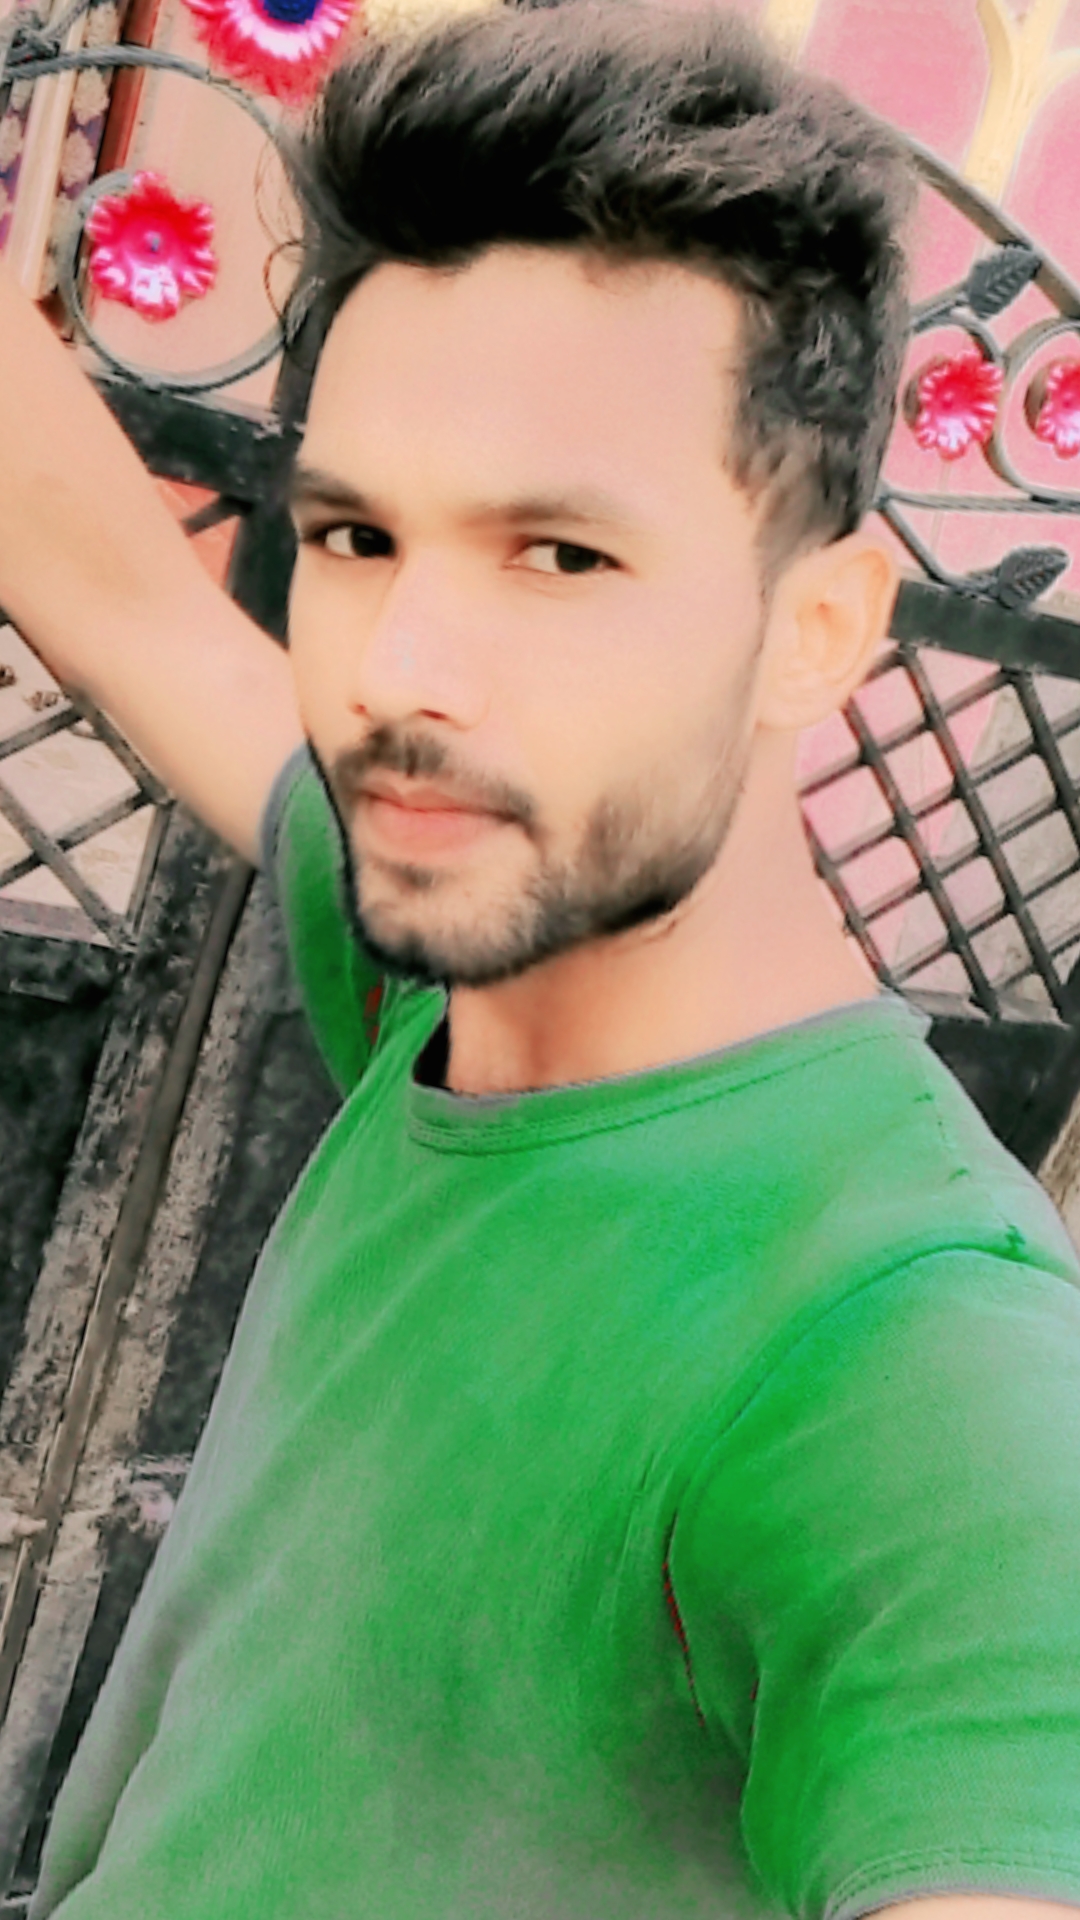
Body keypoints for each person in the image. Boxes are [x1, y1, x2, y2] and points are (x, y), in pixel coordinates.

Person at [4, 2, 1080, 1915]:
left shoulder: (906, 1345)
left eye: (561, 557)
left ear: (823, 627)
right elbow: (127, 597)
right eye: (355, 537)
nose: (399, 672)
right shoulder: (456, 973)